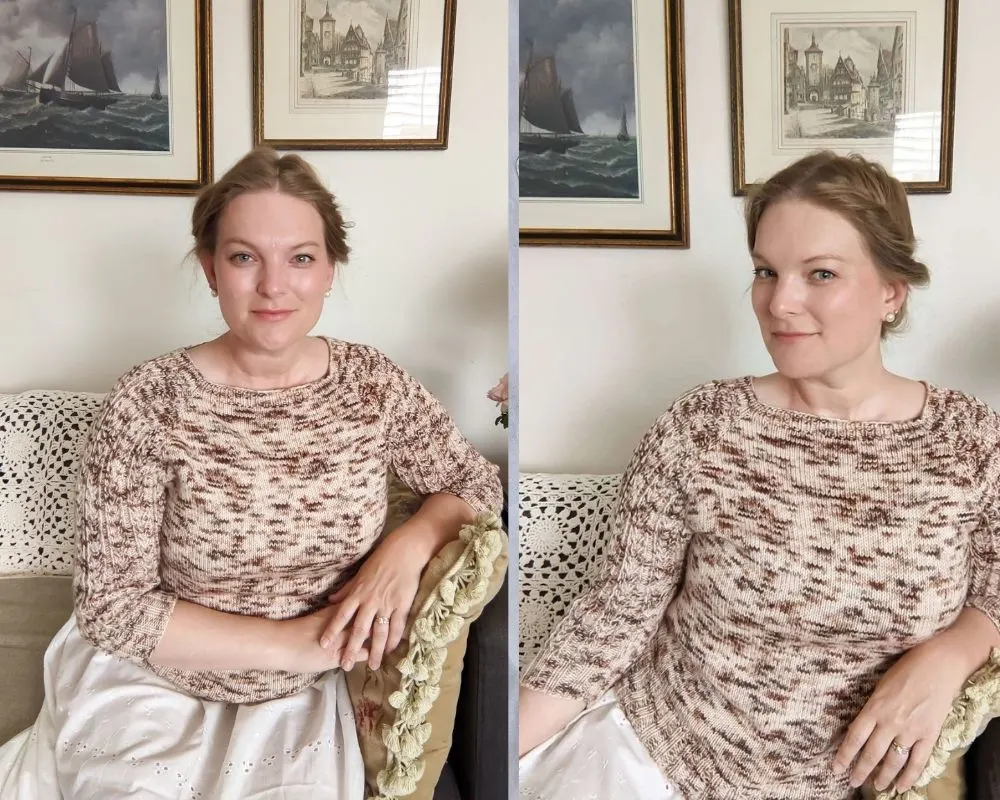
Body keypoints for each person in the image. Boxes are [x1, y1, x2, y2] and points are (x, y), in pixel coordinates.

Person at [0, 147, 503, 798]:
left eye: (300, 258)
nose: (274, 286)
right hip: (154, 681)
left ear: (330, 269)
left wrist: (406, 548)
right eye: (244, 257)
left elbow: (475, 485)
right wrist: (296, 645)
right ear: (210, 269)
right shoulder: (146, 403)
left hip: (300, 700)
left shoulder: (373, 385)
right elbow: (111, 608)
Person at [518, 151, 1000, 799]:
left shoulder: (968, 439)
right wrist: (504, 748)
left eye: (820, 273)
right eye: (766, 271)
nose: (780, 301)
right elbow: (619, 609)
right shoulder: (700, 426)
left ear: (891, 291)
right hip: (656, 758)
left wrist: (951, 654)